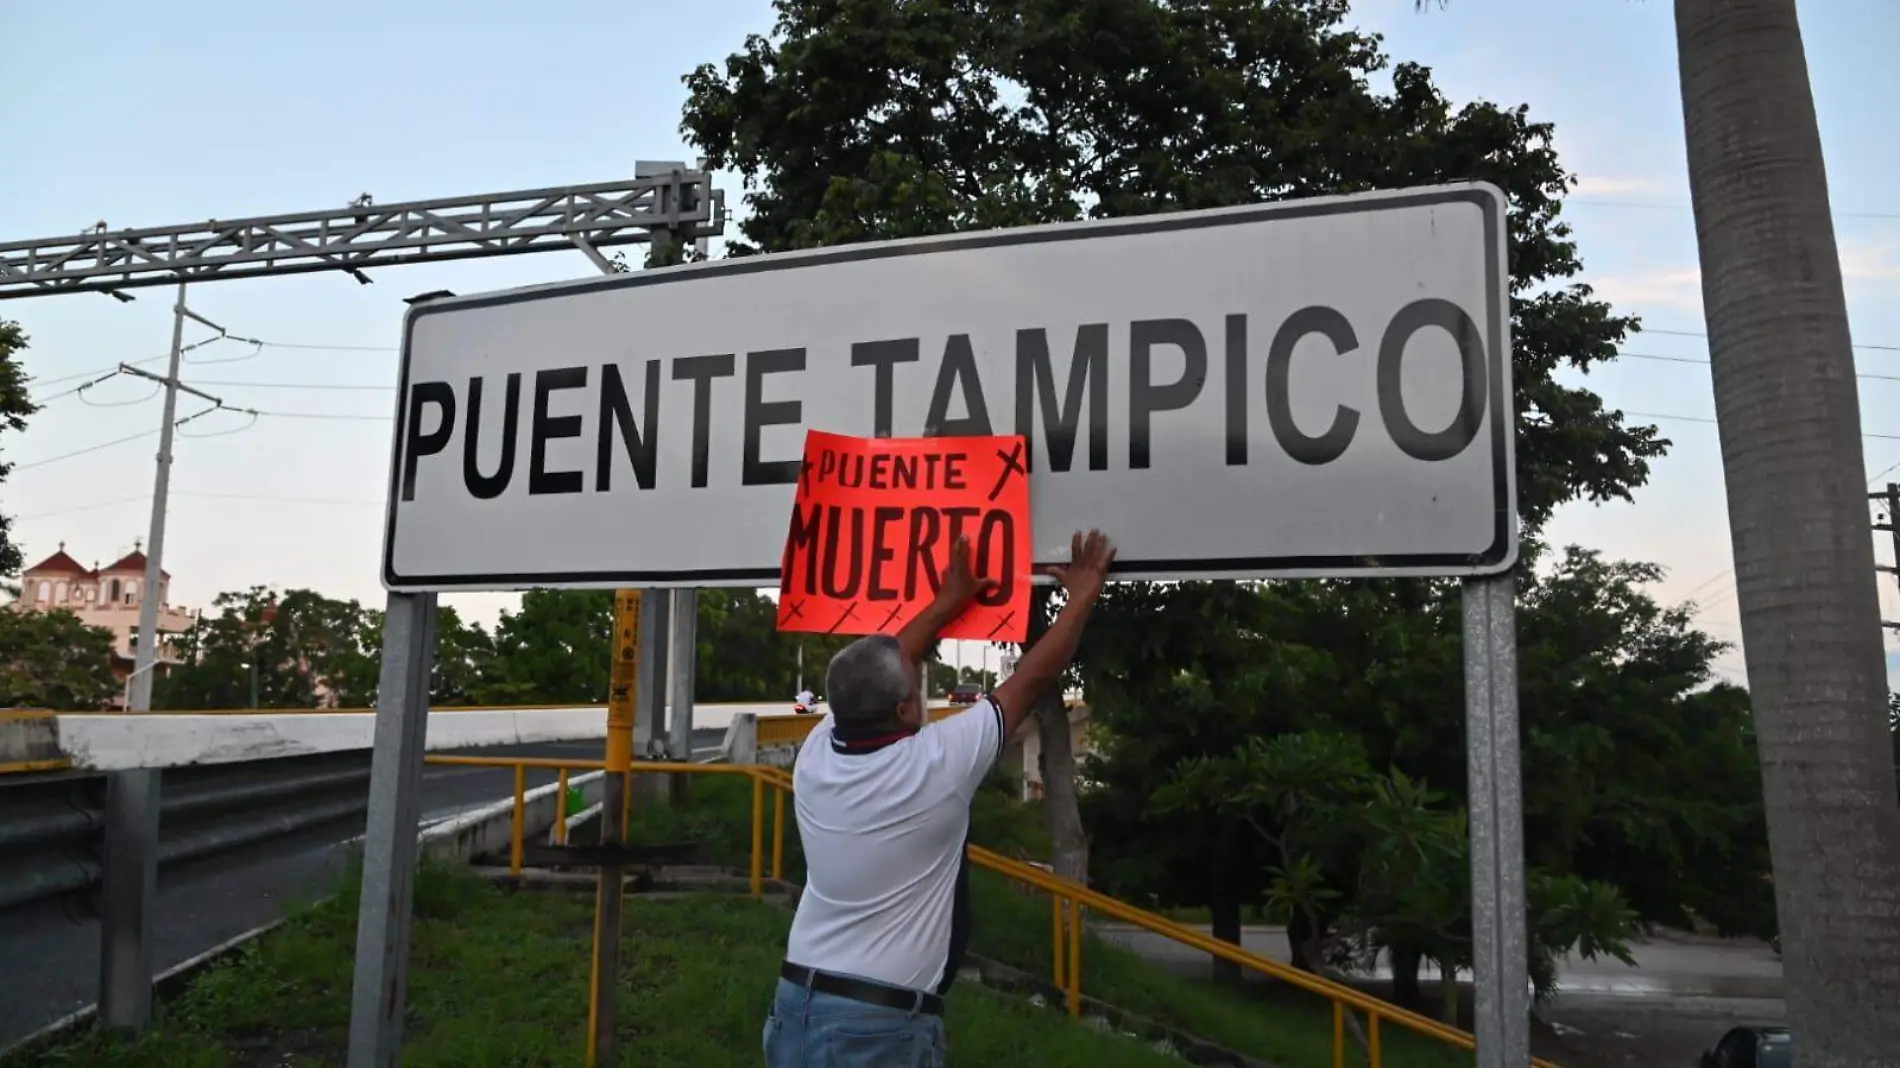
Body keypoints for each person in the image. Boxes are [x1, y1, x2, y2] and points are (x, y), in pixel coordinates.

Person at [763, 529, 1117, 1068]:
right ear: (905, 710)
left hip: (796, 1006)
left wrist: (949, 600)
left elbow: (884, 663)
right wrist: (1086, 592)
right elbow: (1036, 674)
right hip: (875, 1028)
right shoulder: (936, 767)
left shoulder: (816, 753)